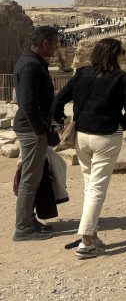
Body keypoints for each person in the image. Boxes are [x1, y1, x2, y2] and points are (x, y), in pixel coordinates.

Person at [52, 38, 126, 258]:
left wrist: (60, 120)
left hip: (82, 136)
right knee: (97, 188)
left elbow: (58, 100)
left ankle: (92, 233)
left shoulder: (81, 74)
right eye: (121, 52)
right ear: (115, 54)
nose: (122, 56)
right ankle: (87, 242)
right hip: (107, 136)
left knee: (90, 186)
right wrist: (123, 122)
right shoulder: (122, 78)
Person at [12, 25, 60, 241]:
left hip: (32, 129)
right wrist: (41, 131)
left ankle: (29, 220)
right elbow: (29, 104)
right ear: (45, 43)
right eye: (55, 43)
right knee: (30, 179)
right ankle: (23, 228)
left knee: (34, 177)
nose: (57, 47)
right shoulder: (31, 66)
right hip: (32, 131)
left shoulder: (32, 62)